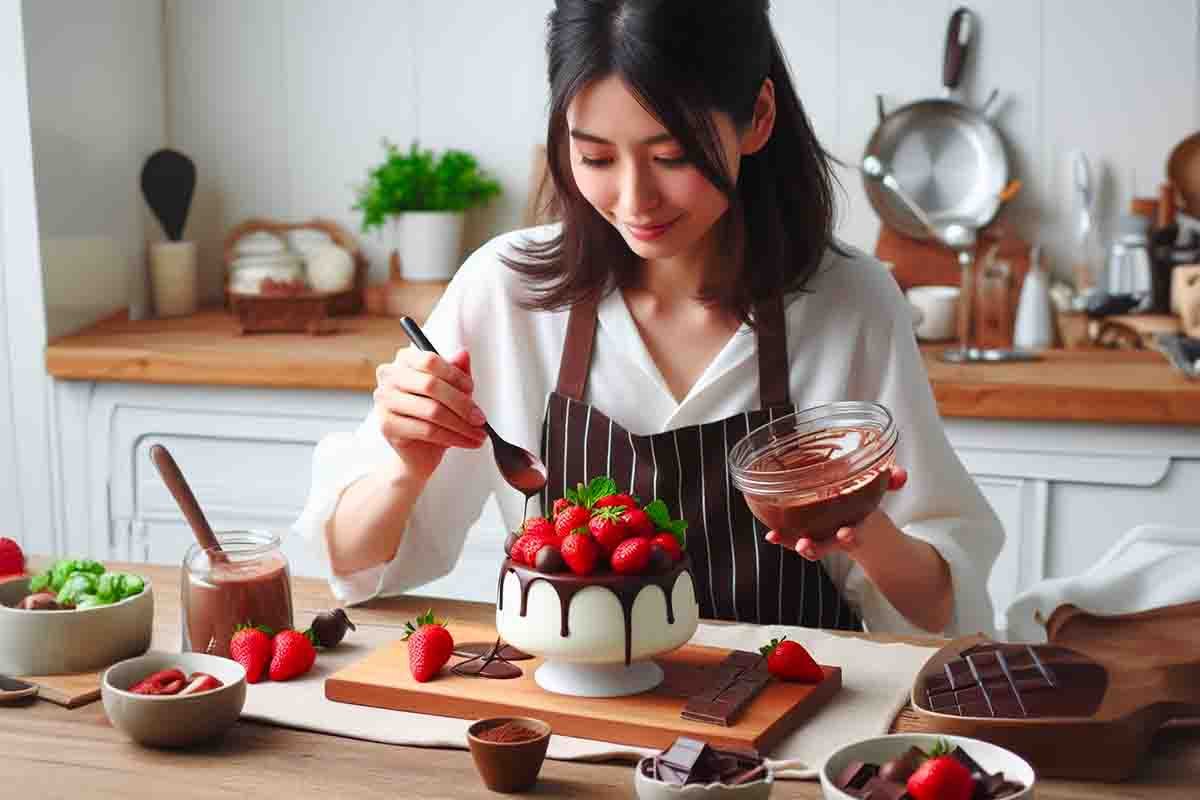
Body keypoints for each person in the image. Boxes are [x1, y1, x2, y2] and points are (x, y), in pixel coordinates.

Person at [293, 0, 1003, 636]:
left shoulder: (850, 302)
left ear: (757, 118)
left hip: (784, 736)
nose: (635, 199)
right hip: (569, 728)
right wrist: (405, 471)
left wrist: (859, 527)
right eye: (595, 156)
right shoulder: (506, 291)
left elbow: (945, 611)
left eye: (671, 155)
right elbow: (356, 570)